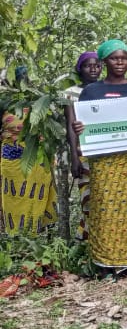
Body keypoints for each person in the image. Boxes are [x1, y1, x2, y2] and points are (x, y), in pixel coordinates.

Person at [73, 40, 127, 279]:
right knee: (105, 209)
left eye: (124, 58)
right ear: (105, 61)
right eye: (114, 58)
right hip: (104, 162)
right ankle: (107, 263)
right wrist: (80, 128)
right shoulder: (91, 92)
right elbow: (84, 124)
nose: (120, 62)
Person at [1, 68, 57, 235]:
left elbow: (51, 131)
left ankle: (36, 238)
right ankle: (15, 241)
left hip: (38, 160)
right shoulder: (4, 102)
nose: (23, 81)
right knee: (13, 201)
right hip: (12, 160)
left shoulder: (40, 100)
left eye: (26, 77)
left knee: (37, 199)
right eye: (19, 78)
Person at [65, 51, 102, 239]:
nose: (93, 69)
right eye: (88, 65)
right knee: (87, 197)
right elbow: (71, 126)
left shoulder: (107, 89)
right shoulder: (72, 93)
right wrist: (74, 157)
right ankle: (88, 241)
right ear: (80, 69)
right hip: (84, 151)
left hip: (105, 152)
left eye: (97, 65)